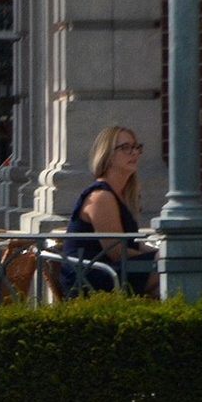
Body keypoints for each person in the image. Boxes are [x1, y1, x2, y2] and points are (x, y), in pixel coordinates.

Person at [61, 125, 155, 294]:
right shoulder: (101, 196)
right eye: (126, 148)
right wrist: (161, 259)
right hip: (92, 278)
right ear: (108, 155)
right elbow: (117, 251)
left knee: (198, 256)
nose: (134, 152)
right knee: (178, 265)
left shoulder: (122, 193)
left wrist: (166, 251)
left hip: (113, 271)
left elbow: (132, 243)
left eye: (136, 147)